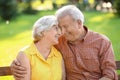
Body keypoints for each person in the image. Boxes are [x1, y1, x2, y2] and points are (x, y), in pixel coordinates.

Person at [11, 5, 117, 80]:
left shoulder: (102, 42)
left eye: (65, 27)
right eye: (59, 27)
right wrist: (16, 64)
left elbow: (110, 73)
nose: (62, 32)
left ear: (79, 23)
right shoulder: (59, 41)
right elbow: (38, 46)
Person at [12, 15, 66, 80]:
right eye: (56, 28)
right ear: (43, 31)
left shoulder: (58, 55)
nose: (60, 33)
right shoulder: (25, 55)